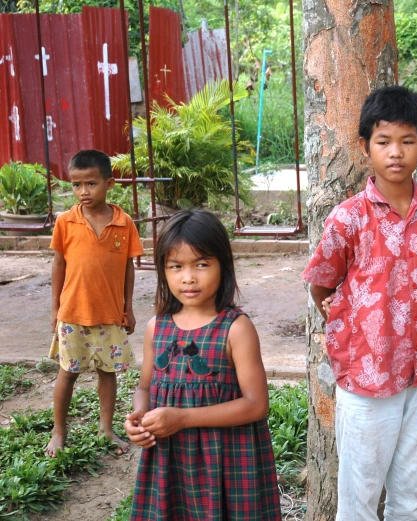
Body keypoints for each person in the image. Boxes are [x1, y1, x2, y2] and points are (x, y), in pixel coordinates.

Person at [301, 85, 417, 521]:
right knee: (360, 491)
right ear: (364, 147)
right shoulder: (348, 218)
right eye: (383, 141)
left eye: (408, 141)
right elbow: (321, 285)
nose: (396, 152)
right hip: (367, 379)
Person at [123, 210, 281, 521]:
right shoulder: (158, 327)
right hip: (170, 461)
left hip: (228, 463)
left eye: (202, 264)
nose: (188, 277)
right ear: (163, 271)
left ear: (224, 266)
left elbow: (256, 405)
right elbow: (145, 386)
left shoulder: (235, 328)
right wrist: (139, 418)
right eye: (176, 266)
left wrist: (182, 418)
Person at [46, 149, 143, 457]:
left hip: (110, 316)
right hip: (73, 313)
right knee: (67, 373)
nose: (83, 192)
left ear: (109, 184)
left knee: (107, 372)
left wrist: (128, 306)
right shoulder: (65, 222)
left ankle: (106, 428)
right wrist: (55, 309)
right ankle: (58, 431)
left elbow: (129, 267)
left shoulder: (123, 223)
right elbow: (59, 265)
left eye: (91, 183)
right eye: (76, 185)